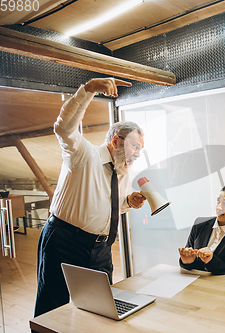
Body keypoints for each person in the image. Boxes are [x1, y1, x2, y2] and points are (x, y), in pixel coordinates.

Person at [34, 78, 148, 317]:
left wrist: (127, 203)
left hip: (100, 249)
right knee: (52, 308)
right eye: (135, 147)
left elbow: (106, 207)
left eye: (140, 149)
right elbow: (63, 128)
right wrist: (89, 90)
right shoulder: (83, 155)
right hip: (64, 241)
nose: (137, 154)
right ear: (116, 140)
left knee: (101, 307)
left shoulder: (123, 169)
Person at [178, 184, 225, 277]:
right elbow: (190, 265)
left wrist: (211, 261)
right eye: (218, 201)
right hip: (193, 284)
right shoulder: (199, 224)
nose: (219, 207)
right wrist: (187, 262)